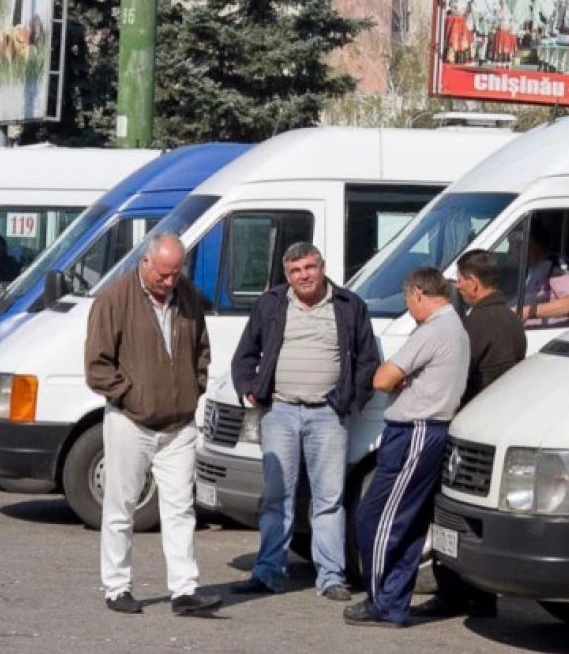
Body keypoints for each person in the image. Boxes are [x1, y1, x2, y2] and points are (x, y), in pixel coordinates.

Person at [228, 243, 380, 601]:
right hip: (279, 411)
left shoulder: (348, 305)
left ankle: (331, 577)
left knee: (329, 499)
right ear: (287, 275)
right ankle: (267, 573)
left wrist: (348, 400)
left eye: (310, 268)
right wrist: (248, 386)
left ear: (322, 267)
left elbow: (368, 360)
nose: (304, 276)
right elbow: (245, 353)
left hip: (327, 414)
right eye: (296, 271)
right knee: (276, 496)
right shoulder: (271, 304)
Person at [84, 233, 221, 616]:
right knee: (120, 506)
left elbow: (201, 350)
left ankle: (184, 590)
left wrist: (194, 389)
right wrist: (131, 397)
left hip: (178, 424)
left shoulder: (188, 296)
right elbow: (97, 365)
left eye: (176, 273)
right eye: (163, 274)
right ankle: (116, 587)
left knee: (180, 508)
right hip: (132, 421)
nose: (169, 282)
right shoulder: (115, 298)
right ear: (145, 263)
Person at [344, 268, 469, 628]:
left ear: (418, 293)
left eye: (407, 301)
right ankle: (393, 601)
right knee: (407, 520)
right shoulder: (453, 327)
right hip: (424, 428)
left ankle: (381, 600)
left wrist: (398, 380)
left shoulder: (435, 329)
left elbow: (383, 377)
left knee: (379, 517)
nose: (409, 307)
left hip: (416, 428)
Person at [410, 251, 525, 619]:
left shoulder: (476, 324)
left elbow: (458, 372)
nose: (457, 288)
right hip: (498, 425)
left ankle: (456, 595)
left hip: (472, 429)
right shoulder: (511, 319)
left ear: (473, 282)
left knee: (451, 515)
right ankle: (480, 596)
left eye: (460, 281)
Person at [521, 227, 569, 327]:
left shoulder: (555, 265)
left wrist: (526, 311)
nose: (509, 249)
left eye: (513, 243)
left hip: (545, 331)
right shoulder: (528, 268)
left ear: (531, 245)